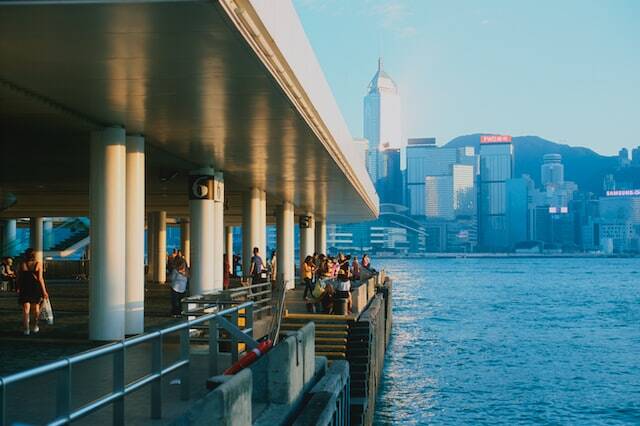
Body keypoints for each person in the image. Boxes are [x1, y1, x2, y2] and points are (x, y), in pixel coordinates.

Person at [17, 248, 49, 335]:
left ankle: (26, 329)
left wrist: (18, 287)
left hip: (25, 287)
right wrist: (44, 291)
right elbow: (40, 279)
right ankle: (35, 326)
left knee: (26, 309)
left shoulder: (22, 264)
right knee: (36, 309)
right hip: (35, 287)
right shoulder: (38, 264)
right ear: (34, 255)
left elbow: (19, 277)